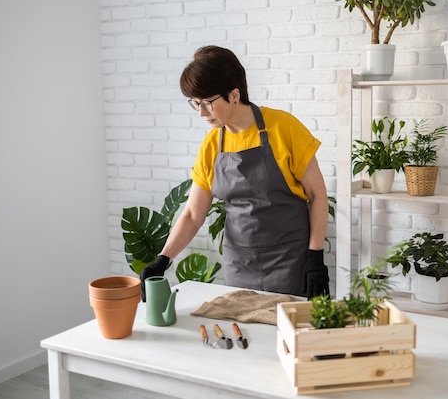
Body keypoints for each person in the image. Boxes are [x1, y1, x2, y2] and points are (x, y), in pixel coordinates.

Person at [140, 45, 330, 300]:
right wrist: (163, 260)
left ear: (234, 95)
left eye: (207, 102)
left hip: (291, 261)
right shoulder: (211, 146)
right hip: (239, 266)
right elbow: (194, 214)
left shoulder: (284, 128)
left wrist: (315, 256)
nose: (201, 112)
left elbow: (318, 195)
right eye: (195, 103)